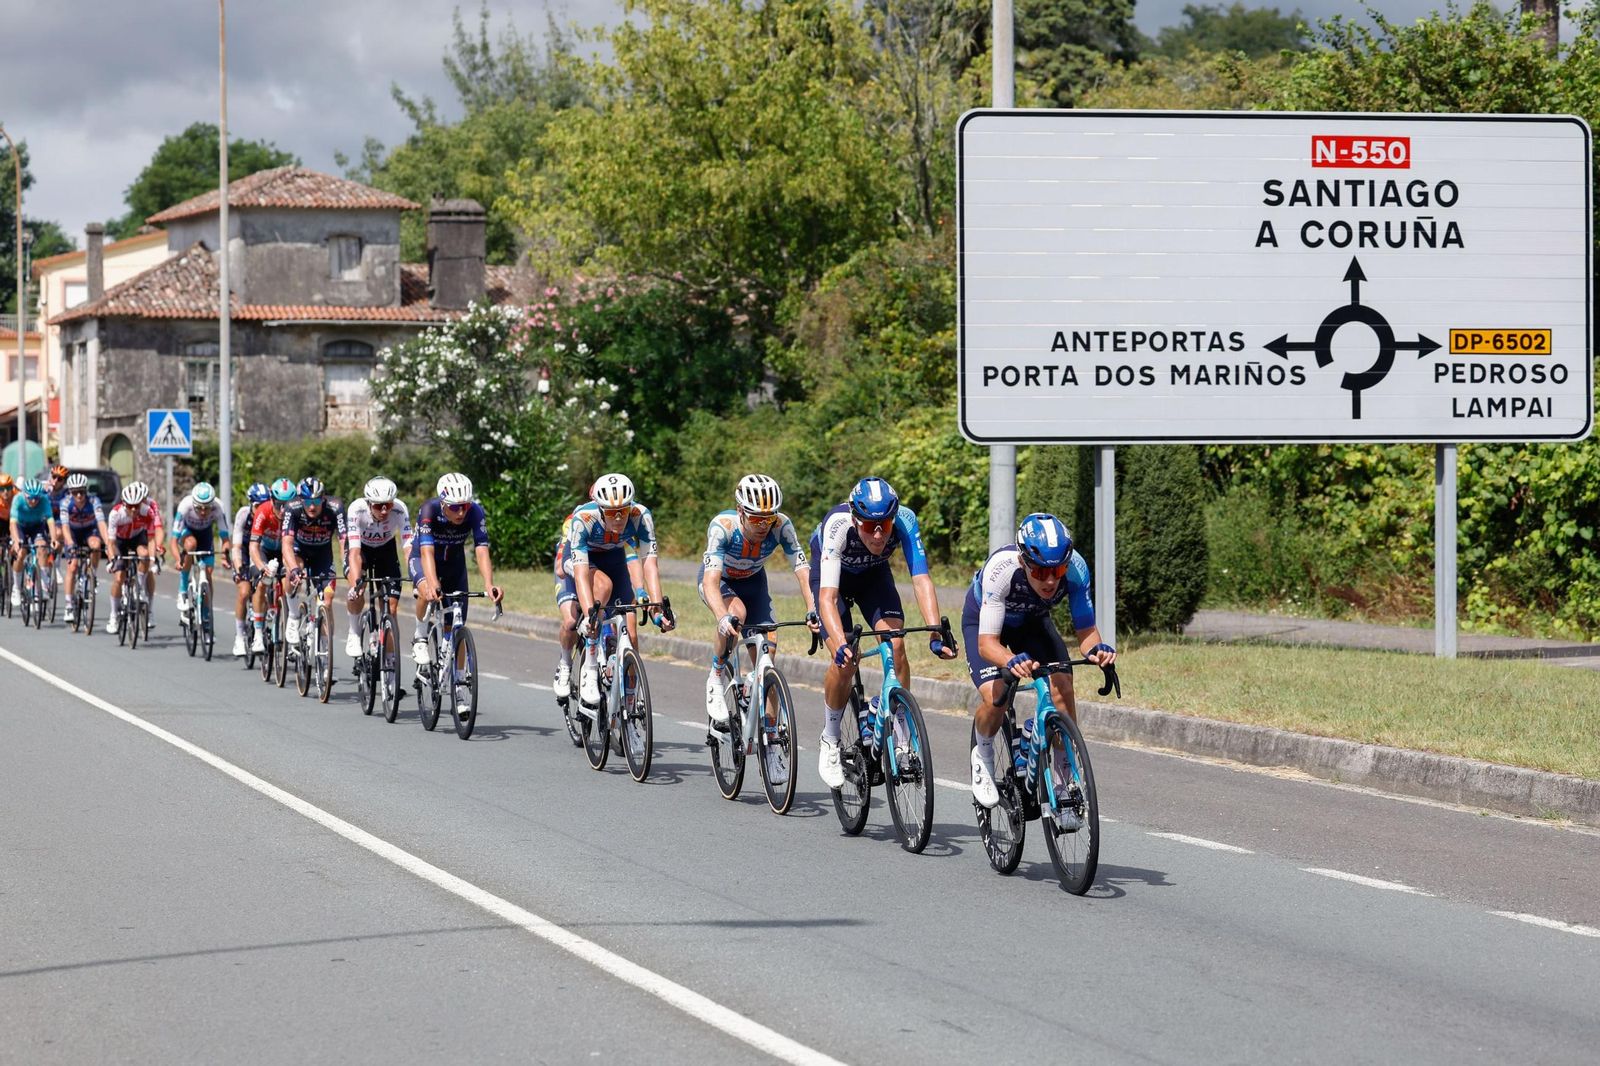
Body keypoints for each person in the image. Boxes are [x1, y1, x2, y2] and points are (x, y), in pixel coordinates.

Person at [812, 476, 958, 788]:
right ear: (856, 520)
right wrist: (840, 643)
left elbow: (921, 579)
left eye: (885, 525)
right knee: (845, 661)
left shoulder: (905, 519)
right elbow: (827, 598)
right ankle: (831, 739)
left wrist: (935, 632)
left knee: (897, 645)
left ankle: (902, 737)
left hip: (873, 577)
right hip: (832, 580)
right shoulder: (837, 525)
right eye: (869, 526)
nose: (878, 534)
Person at [964, 513, 1116, 810]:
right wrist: (1010, 660)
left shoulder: (1076, 569)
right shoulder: (1002, 570)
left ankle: (1063, 782)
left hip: (1032, 622)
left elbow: (1086, 632)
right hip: (986, 625)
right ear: (1024, 561)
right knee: (996, 697)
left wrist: (1097, 651)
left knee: (1062, 685)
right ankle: (982, 754)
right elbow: (987, 644)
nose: (1050, 580)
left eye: (1057, 570)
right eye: (1040, 570)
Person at [698, 475, 818, 755]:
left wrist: (813, 608)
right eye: (756, 518)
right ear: (740, 511)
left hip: (754, 583)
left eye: (769, 518)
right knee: (736, 613)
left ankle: (772, 740)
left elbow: (803, 570)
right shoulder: (723, 527)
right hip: (721, 583)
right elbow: (710, 582)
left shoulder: (782, 526)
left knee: (767, 661)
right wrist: (722, 617)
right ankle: (716, 675)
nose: (764, 525)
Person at [566, 472, 673, 708]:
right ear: (600, 509)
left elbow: (649, 564)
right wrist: (590, 614)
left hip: (614, 558)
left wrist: (657, 608)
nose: (618, 518)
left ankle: (631, 700)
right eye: (611, 513)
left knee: (631, 635)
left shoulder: (641, 516)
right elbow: (581, 574)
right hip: (586, 559)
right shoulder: (584, 518)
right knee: (602, 589)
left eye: (623, 511)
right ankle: (590, 665)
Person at [409, 473, 503, 664]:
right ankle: (420, 637)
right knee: (426, 591)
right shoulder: (429, 509)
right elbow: (427, 551)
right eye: (455, 507)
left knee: (456, 625)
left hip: (454, 563)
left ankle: (458, 677)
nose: (461, 513)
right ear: (443, 503)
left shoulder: (475, 512)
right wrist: (433, 583)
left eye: (465, 506)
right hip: (424, 557)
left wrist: (489, 584)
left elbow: (481, 549)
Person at [552, 521, 643, 700]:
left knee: (629, 631)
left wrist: (640, 590)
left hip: (603, 574)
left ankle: (630, 693)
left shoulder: (619, 526)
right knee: (571, 621)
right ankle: (565, 663)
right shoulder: (576, 522)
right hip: (573, 573)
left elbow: (632, 560)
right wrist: (585, 578)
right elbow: (560, 569)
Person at [344, 475, 412, 659]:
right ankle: (354, 632)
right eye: (378, 505)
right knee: (357, 590)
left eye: (388, 505)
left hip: (386, 550)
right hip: (361, 549)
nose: (384, 510)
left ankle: (390, 662)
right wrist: (356, 583)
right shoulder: (356, 509)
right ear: (368, 503)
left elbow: (408, 548)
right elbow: (354, 553)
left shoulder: (400, 509)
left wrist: (416, 575)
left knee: (391, 607)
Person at [281, 477, 346, 647]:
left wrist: (347, 564)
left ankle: (324, 648)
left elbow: (344, 541)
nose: (312, 506)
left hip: (323, 554)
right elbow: (286, 544)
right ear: (300, 500)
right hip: (299, 550)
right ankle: (293, 616)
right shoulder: (292, 507)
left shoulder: (336, 507)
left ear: (323, 499)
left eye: (316, 501)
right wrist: (294, 569)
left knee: (327, 599)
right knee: (291, 575)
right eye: (308, 502)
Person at [105, 482, 165, 633]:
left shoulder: (148, 511)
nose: (133, 509)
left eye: (137, 506)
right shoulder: (115, 514)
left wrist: (153, 561)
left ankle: (139, 588)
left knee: (144, 555)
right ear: (124, 503)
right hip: (120, 541)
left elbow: (151, 539)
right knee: (119, 577)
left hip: (137, 538)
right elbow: (110, 543)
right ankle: (113, 615)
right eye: (130, 506)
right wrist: (112, 560)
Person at [55, 472, 112, 624]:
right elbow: (65, 527)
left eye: (81, 491)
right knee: (73, 566)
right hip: (73, 533)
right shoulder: (65, 503)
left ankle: (92, 574)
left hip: (89, 531)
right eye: (75, 492)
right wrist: (70, 544)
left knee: (96, 545)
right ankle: (68, 605)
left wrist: (108, 543)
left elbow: (101, 523)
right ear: (70, 492)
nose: (79, 495)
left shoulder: (94, 501)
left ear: (86, 490)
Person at [248, 478, 297, 653]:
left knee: (288, 583)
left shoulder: (297, 513)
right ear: (271, 500)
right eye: (278, 504)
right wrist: (262, 567)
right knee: (263, 583)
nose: (283, 510)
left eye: (287, 505)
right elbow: (253, 546)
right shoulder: (263, 511)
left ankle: (289, 629)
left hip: (284, 552)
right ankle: (258, 634)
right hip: (264, 551)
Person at [171, 481, 230, 625]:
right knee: (191, 544)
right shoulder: (185, 506)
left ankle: (206, 613)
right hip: (187, 533)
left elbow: (225, 539)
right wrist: (178, 559)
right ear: (194, 504)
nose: (203, 512)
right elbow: (173, 541)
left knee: (208, 575)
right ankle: (183, 590)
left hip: (205, 535)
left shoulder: (218, 507)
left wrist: (224, 556)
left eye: (207, 508)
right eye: (199, 508)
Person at [229, 482, 269, 656]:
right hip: (245, 551)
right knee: (244, 592)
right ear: (251, 504)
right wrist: (239, 568)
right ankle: (239, 637)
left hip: (260, 551)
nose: (261, 509)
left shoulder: (270, 514)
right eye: (257, 505)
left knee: (265, 586)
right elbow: (236, 546)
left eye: (265, 504)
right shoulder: (244, 515)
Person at [8, 479, 58, 608]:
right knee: (20, 553)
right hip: (20, 527)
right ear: (24, 495)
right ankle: (16, 588)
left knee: (42, 548)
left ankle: (43, 585)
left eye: (36, 498)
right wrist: (15, 541)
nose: (34, 501)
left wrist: (54, 539)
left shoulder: (44, 501)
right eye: (30, 498)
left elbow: (50, 521)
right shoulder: (18, 499)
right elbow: (13, 523)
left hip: (36, 526)